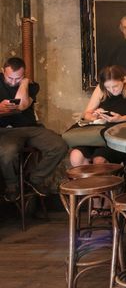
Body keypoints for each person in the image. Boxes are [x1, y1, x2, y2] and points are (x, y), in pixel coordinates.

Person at [0, 57, 68, 200]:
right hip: (4, 130)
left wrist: (24, 83)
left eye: (17, 78)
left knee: (59, 145)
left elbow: (22, 105)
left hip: (30, 128)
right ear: (2, 71)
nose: (13, 82)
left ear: (24, 74)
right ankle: (12, 186)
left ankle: (35, 179)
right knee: (8, 152)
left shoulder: (31, 85)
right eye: (9, 78)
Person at [69, 65, 126, 167]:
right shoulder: (101, 88)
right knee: (75, 156)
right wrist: (96, 116)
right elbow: (86, 114)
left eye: (115, 86)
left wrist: (121, 119)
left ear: (124, 79)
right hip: (97, 135)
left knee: (99, 160)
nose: (111, 90)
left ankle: (101, 182)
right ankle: (90, 183)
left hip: (121, 136)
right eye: (108, 87)